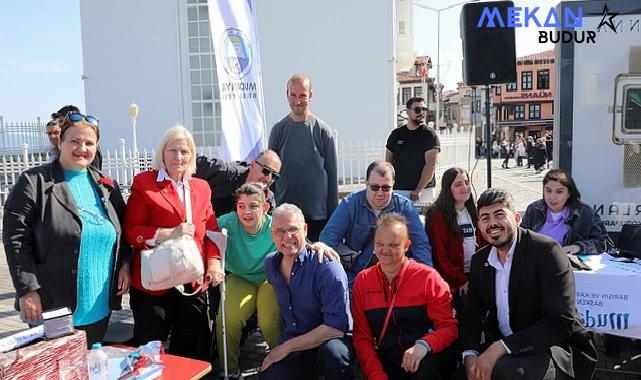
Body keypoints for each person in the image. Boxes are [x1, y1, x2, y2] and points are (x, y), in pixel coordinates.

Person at [3, 113, 131, 346]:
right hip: (52, 306)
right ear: (60, 142)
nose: (82, 148)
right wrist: (27, 289)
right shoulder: (33, 183)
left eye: (89, 143)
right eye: (74, 141)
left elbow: (124, 230)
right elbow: (15, 240)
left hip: (98, 306)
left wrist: (125, 263)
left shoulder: (107, 186)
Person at [454, 188, 597, 380]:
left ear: (517, 218)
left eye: (499, 215)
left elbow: (561, 321)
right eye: (485, 218)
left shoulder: (547, 252)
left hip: (552, 347)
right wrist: (470, 354)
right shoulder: (480, 261)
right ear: (479, 225)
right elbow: (471, 315)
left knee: (506, 372)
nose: (492, 223)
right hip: (504, 347)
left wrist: (502, 347)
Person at [124, 125, 224, 359]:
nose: (178, 157)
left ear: (191, 155)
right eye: (172, 151)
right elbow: (131, 232)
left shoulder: (201, 187)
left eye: (184, 151)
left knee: (190, 346)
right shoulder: (144, 183)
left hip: (192, 280)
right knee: (150, 349)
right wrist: (168, 233)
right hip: (154, 283)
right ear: (162, 153)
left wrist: (213, 263)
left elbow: (211, 231)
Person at [352, 213, 458, 380]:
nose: (385, 250)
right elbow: (362, 337)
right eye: (380, 244)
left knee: (425, 369)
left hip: (425, 358)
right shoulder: (363, 281)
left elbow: (449, 328)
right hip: (387, 362)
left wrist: (425, 345)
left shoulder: (428, 277)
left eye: (393, 245)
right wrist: (377, 375)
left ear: (407, 245)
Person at [260, 204, 353, 380]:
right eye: (280, 231)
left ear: (305, 229)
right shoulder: (271, 265)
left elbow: (336, 327)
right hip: (297, 348)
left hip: (328, 342)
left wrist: (286, 347)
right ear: (272, 234)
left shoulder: (327, 267)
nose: (287, 236)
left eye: (293, 229)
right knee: (269, 375)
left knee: (334, 355)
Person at [320, 160, 433, 289]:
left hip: (397, 278)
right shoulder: (350, 205)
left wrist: (424, 278)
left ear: (393, 185)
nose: (380, 193)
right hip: (358, 277)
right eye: (374, 187)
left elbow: (420, 245)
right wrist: (337, 278)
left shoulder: (404, 207)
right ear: (366, 184)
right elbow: (328, 240)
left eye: (386, 188)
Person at [268, 74, 338, 241]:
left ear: (310, 96)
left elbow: (332, 176)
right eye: (293, 95)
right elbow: (270, 175)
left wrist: (334, 217)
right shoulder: (278, 131)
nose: (297, 100)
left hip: (318, 217)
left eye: (302, 95)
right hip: (286, 216)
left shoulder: (323, 131)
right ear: (287, 95)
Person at [424, 167, 486, 310]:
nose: (465, 188)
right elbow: (440, 256)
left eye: (466, 182)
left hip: (476, 276)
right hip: (454, 281)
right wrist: (461, 281)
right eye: (458, 184)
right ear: (448, 189)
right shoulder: (437, 216)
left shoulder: (473, 211)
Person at [521, 169, 608, 255]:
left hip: (567, 264)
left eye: (559, 192)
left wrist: (579, 247)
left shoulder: (585, 213)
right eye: (548, 190)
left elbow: (603, 243)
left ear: (569, 193)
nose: (552, 197)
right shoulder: (534, 209)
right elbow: (520, 238)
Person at [195, 149, 282, 216]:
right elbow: (192, 161)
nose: (269, 177)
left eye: (274, 176)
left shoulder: (268, 199)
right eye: (266, 170)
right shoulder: (226, 174)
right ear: (252, 165)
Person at [386, 97, 440, 202]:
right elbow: (388, 163)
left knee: (423, 219)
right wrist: (389, 186)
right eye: (418, 109)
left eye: (424, 109)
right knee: (398, 219)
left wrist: (418, 189)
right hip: (399, 190)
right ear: (407, 112)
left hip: (423, 191)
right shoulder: (396, 134)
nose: (422, 112)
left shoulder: (429, 135)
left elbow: (431, 164)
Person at [51, 104, 103, 170]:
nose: (59, 126)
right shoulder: (55, 147)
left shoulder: (90, 149)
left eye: (61, 121)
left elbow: (94, 170)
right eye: (75, 142)